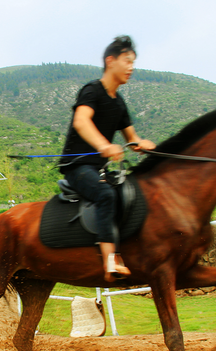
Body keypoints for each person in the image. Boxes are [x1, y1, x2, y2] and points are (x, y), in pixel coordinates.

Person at [59, 35, 155, 282]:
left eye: (133, 62)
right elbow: (81, 121)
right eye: (127, 61)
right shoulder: (92, 90)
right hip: (77, 166)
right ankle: (110, 260)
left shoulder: (119, 103)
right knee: (105, 195)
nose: (131, 67)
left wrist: (143, 144)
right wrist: (104, 145)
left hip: (99, 169)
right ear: (110, 61)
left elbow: (132, 138)